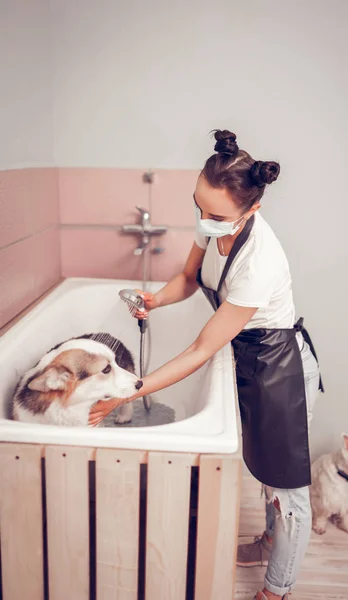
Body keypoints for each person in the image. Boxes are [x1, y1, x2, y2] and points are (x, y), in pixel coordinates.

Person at [89, 129, 323, 600]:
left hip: (280, 367)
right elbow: (190, 278)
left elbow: (201, 349)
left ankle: (278, 589)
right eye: (199, 206)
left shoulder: (261, 261)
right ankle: (267, 542)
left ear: (251, 210)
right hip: (247, 355)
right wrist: (156, 300)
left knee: (286, 485)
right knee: (263, 467)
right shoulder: (213, 222)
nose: (203, 220)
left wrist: (132, 389)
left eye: (215, 214)